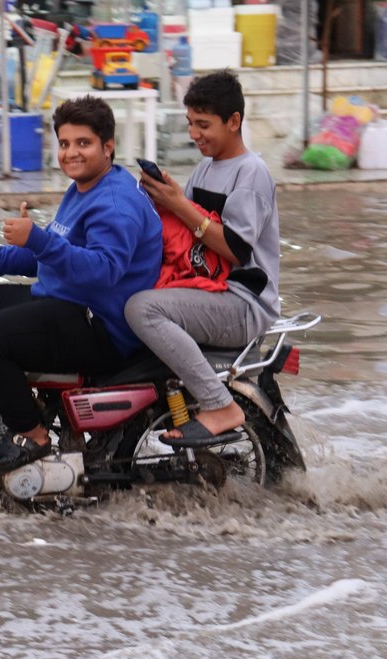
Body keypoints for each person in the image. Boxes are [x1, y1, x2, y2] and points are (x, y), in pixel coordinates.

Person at [0, 95, 162, 475]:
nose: (71, 153)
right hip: (68, 303)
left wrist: (38, 239)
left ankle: (33, 434)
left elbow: (104, 270)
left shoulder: (114, 201)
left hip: (101, 326)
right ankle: (18, 406)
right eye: (64, 144)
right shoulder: (82, 188)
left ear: (107, 146)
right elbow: (45, 254)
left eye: (83, 143)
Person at [126, 70, 281, 446]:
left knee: (141, 309)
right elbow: (185, 228)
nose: (194, 134)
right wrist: (162, 198)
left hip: (241, 302)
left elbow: (235, 248)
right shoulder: (206, 168)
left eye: (204, 125)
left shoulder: (251, 173)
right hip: (207, 288)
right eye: (191, 124)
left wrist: (178, 202)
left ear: (234, 122)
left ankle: (219, 405)